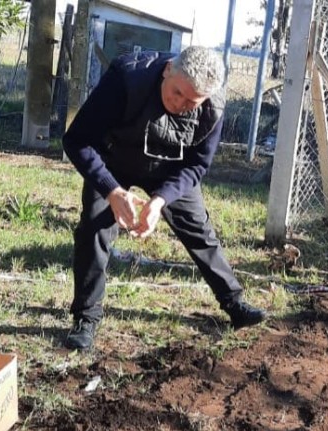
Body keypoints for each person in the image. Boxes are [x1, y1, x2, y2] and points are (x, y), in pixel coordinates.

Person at [61, 46, 266, 351]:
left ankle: (234, 304)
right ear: (168, 69)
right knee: (94, 226)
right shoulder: (126, 80)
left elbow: (198, 164)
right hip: (114, 160)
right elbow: (76, 140)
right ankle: (86, 319)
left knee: (199, 230)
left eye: (191, 102)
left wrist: (160, 200)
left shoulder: (213, 108)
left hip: (170, 166)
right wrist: (112, 190)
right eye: (177, 93)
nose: (181, 104)